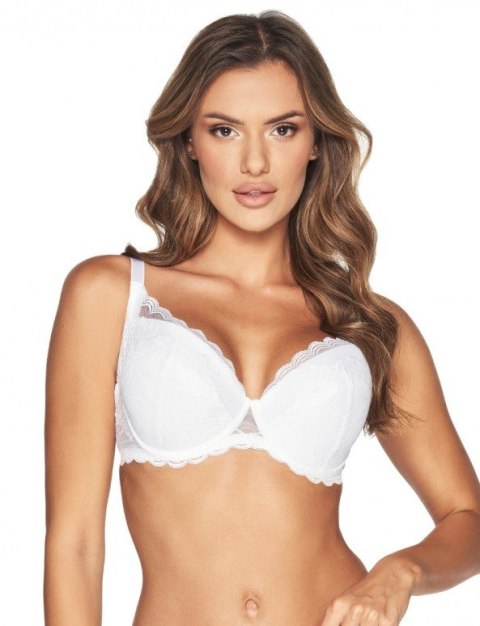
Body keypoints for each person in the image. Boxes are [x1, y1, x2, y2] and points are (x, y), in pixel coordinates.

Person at [43, 10, 480, 626]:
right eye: (224, 130)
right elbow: (75, 544)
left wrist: (397, 573)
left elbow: (468, 518)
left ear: (315, 142)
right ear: (189, 141)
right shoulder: (112, 295)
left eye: (282, 129)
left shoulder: (370, 324)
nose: (254, 163)